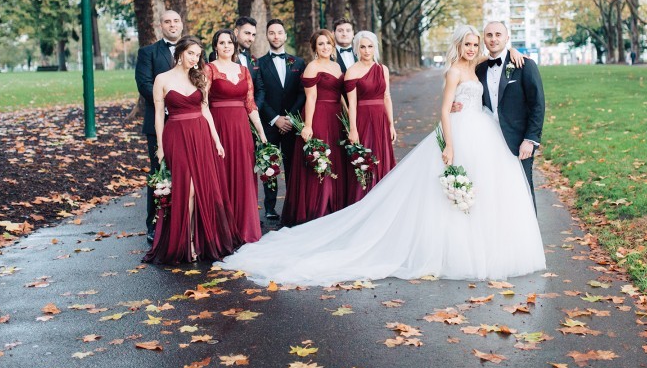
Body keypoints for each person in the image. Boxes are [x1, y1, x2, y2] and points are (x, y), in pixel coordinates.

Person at [220, 26, 545, 285]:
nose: (474, 48)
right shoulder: (454, 72)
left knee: (485, 188)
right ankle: (450, 251)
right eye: (469, 44)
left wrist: (512, 50)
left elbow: (496, 65)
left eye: (478, 44)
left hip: (484, 131)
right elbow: (444, 109)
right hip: (458, 132)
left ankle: (486, 246)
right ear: (459, 45)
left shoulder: (483, 65)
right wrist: (448, 143)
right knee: (446, 193)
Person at [143, 36, 236, 264]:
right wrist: (161, 147)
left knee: (201, 187)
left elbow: (206, 111)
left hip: (201, 134)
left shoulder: (200, 77)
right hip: (176, 135)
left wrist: (216, 140)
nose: (195, 58)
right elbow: (158, 116)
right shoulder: (161, 79)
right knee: (186, 189)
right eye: (191, 53)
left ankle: (196, 240)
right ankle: (184, 242)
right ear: (180, 53)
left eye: (198, 55)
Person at [206, 29, 268, 244]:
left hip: (241, 129)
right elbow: (203, 103)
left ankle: (244, 229)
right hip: (218, 127)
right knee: (220, 176)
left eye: (229, 42)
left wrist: (261, 133)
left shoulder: (243, 70)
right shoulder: (209, 69)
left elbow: (250, 104)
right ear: (215, 46)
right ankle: (222, 231)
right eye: (222, 43)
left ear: (235, 46)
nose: (226, 46)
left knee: (242, 175)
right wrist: (212, 135)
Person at [475, 21, 545, 209]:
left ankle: (529, 237)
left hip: (518, 141)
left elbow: (537, 104)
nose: (493, 39)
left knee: (523, 192)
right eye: (489, 35)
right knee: (496, 192)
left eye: (498, 34)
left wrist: (530, 140)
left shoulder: (524, 65)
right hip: (488, 142)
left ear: (507, 38)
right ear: (484, 39)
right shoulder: (479, 69)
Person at [281, 30, 348, 226]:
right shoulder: (312, 67)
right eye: (321, 44)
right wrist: (308, 125)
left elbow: (342, 95)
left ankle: (335, 205)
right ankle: (318, 207)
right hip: (319, 115)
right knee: (321, 158)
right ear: (315, 47)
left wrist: (348, 119)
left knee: (336, 159)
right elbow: (310, 98)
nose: (325, 47)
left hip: (336, 117)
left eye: (328, 43)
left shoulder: (336, 66)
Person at [135, 10, 183, 243]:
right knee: (159, 173)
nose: (172, 25)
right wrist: (165, 105)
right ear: (160, 26)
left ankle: (183, 221)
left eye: (176, 21)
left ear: (181, 24)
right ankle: (154, 224)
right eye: (167, 22)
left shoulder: (193, 50)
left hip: (188, 123)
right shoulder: (148, 53)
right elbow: (144, 84)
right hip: (159, 124)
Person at [256, 19, 306, 222]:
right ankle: (270, 207)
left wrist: (290, 118)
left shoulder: (299, 63)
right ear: (267, 36)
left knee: (293, 164)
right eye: (272, 33)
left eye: (279, 32)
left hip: (292, 123)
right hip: (270, 123)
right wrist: (275, 118)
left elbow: (302, 94)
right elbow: (260, 95)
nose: (276, 36)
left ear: (285, 36)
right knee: (270, 166)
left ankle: (293, 205)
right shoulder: (258, 63)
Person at [342, 30, 396, 206]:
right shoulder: (352, 72)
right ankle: (364, 203)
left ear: (375, 48)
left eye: (370, 46)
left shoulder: (382, 69)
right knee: (366, 160)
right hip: (363, 120)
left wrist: (391, 124)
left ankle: (384, 202)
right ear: (357, 49)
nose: (366, 50)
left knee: (383, 157)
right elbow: (352, 104)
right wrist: (353, 129)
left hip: (381, 119)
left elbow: (387, 97)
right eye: (362, 47)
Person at [208, 16, 264, 107]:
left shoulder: (254, 61)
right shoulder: (217, 56)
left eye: (253, 35)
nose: (251, 39)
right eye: (247, 33)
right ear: (236, 32)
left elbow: (260, 89)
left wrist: (254, 109)